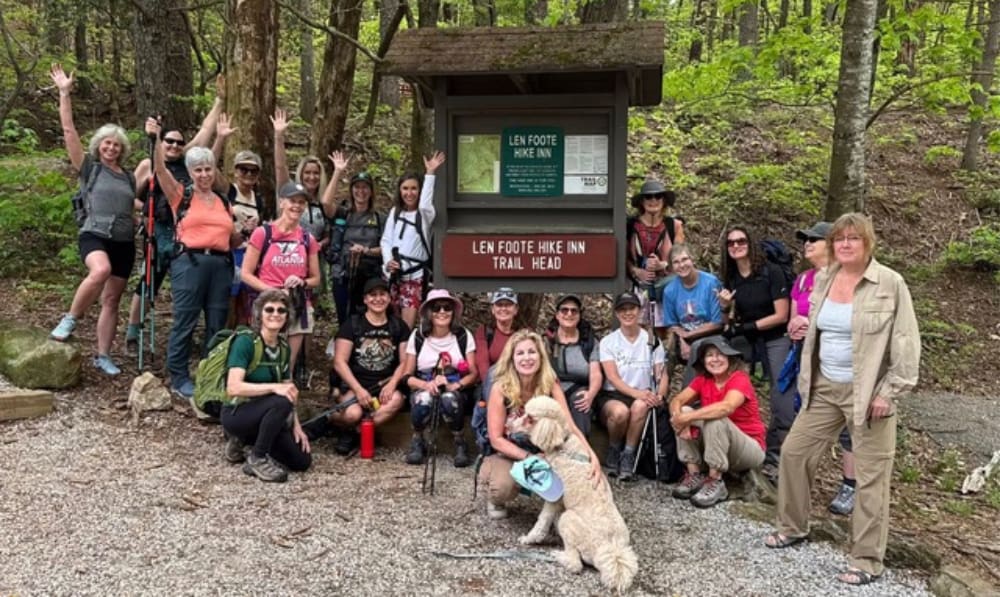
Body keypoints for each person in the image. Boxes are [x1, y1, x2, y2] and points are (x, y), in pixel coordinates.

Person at [766, 213, 920, 587]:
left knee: (870, 477)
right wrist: (799, 326)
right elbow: (815, 328)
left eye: (854, 238)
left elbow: (906, 342)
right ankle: (793, 526)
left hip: (868, 394)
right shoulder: (823, 278)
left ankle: (866, 560)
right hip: (824, 388)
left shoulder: (889, 284)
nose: (846, 244)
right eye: (840, 239)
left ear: (868, 243)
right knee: (794, 453)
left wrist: (890, 391)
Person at [48, 64, 138, 376]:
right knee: (100, 271)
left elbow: (133, 205)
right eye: (106, 143)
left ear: (122, 149)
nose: (111, 147)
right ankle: (71, 318)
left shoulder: (128, 177)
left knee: (112, 300)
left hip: (125, 241)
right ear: (99, 146)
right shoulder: (90, 169)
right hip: (95, 233)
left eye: (116, 144)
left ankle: (103, 355)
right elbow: (69, 130)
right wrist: (64, 93)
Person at [124, 93, 230, 355]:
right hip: (161, 229)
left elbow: (206, 133)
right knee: (151, 279)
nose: (174, 145)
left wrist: (218, 101)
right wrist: (146, 213)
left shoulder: (188, 162)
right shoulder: (150, 164)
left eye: (179, 142)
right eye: (169, 141)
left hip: (190, 231)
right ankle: (133, 330)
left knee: (191, 285)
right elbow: (130, 198)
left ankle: (192, 333)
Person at [147, 119, 242, 399]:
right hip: (189, 263)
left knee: (216, 322)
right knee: (185, 320)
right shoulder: (181, 195)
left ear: (214, 171)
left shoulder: (224, 201)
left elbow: (231, 239)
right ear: (190, 172)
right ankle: (178, 376)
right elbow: (160, 170)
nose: (203, 174)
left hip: (221, 265)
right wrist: (154, 140)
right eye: (198, 169)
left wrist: (244, 232)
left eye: (208, 169)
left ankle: (211, 375)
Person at [478, 329, 602, 520]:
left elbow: (569, 425)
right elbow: (496, 439)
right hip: (507, 452)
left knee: (574, 476)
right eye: (520, 353)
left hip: (544, 451)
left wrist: (592, 457)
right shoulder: (500, 388)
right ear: (512, 359)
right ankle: (494, 495)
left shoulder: (550, 383)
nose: (527, 358)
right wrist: (530, 458)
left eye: (531, 352)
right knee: (503, 487)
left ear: (540, 356)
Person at [789, 221, 857, 516]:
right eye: (805, 239)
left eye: (813, 239)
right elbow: (794, 317)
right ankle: (801, 486)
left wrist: (811, 325)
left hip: (841, 364)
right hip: (806, 359)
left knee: (847, 430)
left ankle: (851, 485)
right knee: (805, 420)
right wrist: (795, 327)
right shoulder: (804, 279)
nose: (807, 244)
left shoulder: (846, 279)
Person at [717, 225, 794, 482]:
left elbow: (781, 315)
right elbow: (727, 321)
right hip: (745, 340)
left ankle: (775, 458)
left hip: (774, 337)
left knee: (782, 399)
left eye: (741, 241)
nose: (736, 246)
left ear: (750, 243)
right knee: (729, 388)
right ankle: (737, 450)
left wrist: (747, 327)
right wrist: (726, 307)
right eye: (731, 243)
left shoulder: (771, 273)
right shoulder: (731, 278)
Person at [306, 278, 410, 454]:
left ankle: (356, 432)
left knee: (396, 400)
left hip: (383, 386)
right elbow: (339, 362)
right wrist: (359, 390)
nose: (378, 299)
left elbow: (405, 361)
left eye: (382, 294)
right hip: (354, 385)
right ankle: (333, 420)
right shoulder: (352, 324)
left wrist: (392, 384)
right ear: (365, 299)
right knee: (352, 413)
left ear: (389, 298)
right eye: (373, 295)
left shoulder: (398, 326)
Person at [222, 290, 312, 483]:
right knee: (280, 401)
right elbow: (233, 387)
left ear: (287, 316)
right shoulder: (246, 342)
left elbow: (289, 389)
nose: (275, 314)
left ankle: (246, 442)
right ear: (259, 315)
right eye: (269, 309)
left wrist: (296, 426)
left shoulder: (283, 348)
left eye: (281, 310)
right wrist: (273, 387)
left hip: (269, 414)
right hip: (237, 412)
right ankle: (257, 457)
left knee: (301, 461)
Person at [668, 335, 766, 508]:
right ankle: (694, 474)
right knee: (684, 410)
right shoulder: (702, 380)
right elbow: (677, 400)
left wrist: (688, 418)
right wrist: (679, 418)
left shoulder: (739, 378)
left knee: (715, 418)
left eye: (720, 354)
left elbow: (727, 407)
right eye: (709, 355)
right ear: (704, 361)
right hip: (720, 443)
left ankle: (715, 481)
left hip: (749, 448)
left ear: (729, 357)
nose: (715, 359)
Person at [239, 181, 322, 379]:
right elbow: (246, 273)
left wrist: (301, 282)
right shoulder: (263, 233)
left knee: (287, 366)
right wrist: (272, 291)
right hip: (269, 305)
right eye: (293, 201)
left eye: (302, 202)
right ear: (282, 202)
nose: (297, 206)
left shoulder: (307, 239)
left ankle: (285, 402)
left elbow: (316, 278)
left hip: (298, 304)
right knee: (263, 360)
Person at [401, 288, 478, 468]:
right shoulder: (418, 336)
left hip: (455, 385)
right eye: (436, 308)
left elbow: (473, 374)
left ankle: (459, 441)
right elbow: (406, 376)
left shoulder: (463, 335)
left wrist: (456, 384)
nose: (442, 312)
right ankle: (418, 440)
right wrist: (425, 384)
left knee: (449, 399)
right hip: (425, 383)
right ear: (429, 312)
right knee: (423, 399)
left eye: (447, 307)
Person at [596, 291, 669, 481]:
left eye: (631, 308)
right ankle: (614, 448)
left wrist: (659, 395)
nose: (627, 313)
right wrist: (638, 393)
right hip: (614, 395)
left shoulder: (652, 341)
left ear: (639, 310)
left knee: (640, 406)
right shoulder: (608, 342)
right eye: (622, 309)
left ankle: (629, 454)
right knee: (620, 412)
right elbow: (613, 378)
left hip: (643, 394)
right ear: (617, 314)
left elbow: (661, 373)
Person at [380, 151, 446, 328]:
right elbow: (386, 240)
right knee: (388, 323)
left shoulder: (425, 215)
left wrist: (430, 173)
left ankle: (405, 355)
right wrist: (388, 262)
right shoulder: (395, 213)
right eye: (405, 188)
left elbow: (425, 204)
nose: (409, 193)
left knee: (405, 326)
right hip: (393, 275)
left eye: (414, 188)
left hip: (414, 276)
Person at [323, 151, 384, 323]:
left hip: (370, 275)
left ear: (371, 191)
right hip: (343, 273)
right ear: (351, 190)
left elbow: (387, 247)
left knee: (367, 317)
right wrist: (337, 172)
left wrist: (366, 250)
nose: (361, 191)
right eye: (357, 187)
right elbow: (326, 204)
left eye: (365, 187)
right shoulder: (343, 213)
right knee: (344, 316)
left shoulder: (380, 218)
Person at [626, 179, 685, 339]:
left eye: (658, 197)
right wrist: (636, 270)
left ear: (664, 200)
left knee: (666, 332)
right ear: (642, 201)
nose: (653, 201)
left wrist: (663, 265)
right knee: (639, 332)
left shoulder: (674, 226)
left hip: (666, 287)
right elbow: (620, 255)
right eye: (648, 197)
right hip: (637, 287)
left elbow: (681, 256)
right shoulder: (630, 225)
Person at [661, 243, 724, 386]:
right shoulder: (670, 290)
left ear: (692, 260)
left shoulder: (711, 283)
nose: (681, 265)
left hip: (711, 334)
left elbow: (717, 322)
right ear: (671, 267)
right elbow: (672, 324)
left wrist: (689, 336)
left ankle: (687, 397)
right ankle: (659, 397)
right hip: (683, 335)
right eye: (676, 262)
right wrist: (683, 341)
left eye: (684, 259)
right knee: (664, 354)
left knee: (697, 347)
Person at [272, 108, 329, 261]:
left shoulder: (322, 202)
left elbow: (329, 234)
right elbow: (280, 167)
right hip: (287, 255)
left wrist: (320, 244)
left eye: (316, 173)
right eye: (307, 173)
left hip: (314, 259)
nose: (312, 177)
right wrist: (279, 136)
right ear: (301, 174)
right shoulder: (289, 192)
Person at [543, 293, 602, 436]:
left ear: (579, 315)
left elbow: (596, 373)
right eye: (564, 310)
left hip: (579, 388)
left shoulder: (589, 342)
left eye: (574, 310)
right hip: (552, 388)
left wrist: (591, 394)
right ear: (557, 315)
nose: (569, 314)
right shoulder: (547, 341)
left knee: (580, 400)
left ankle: (580, 451)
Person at [225, 150, 265, 326]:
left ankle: (242, 337)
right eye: (244, 169)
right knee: (229, 300)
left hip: (251, 253)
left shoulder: (259, 199)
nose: (248, 174)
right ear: (235, 171)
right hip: (231, 252)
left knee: (246, 302)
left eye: (253, 171)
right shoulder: (229, 192)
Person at [473, 287, 519, 401]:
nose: (503, 308)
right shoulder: (484, 332)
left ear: (515, 309)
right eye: (499, 304)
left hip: (517, 382)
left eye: (508, 304)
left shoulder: (522, 334)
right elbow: (483, 366)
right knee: (493, 372)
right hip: (490, 384)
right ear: (493, 309)